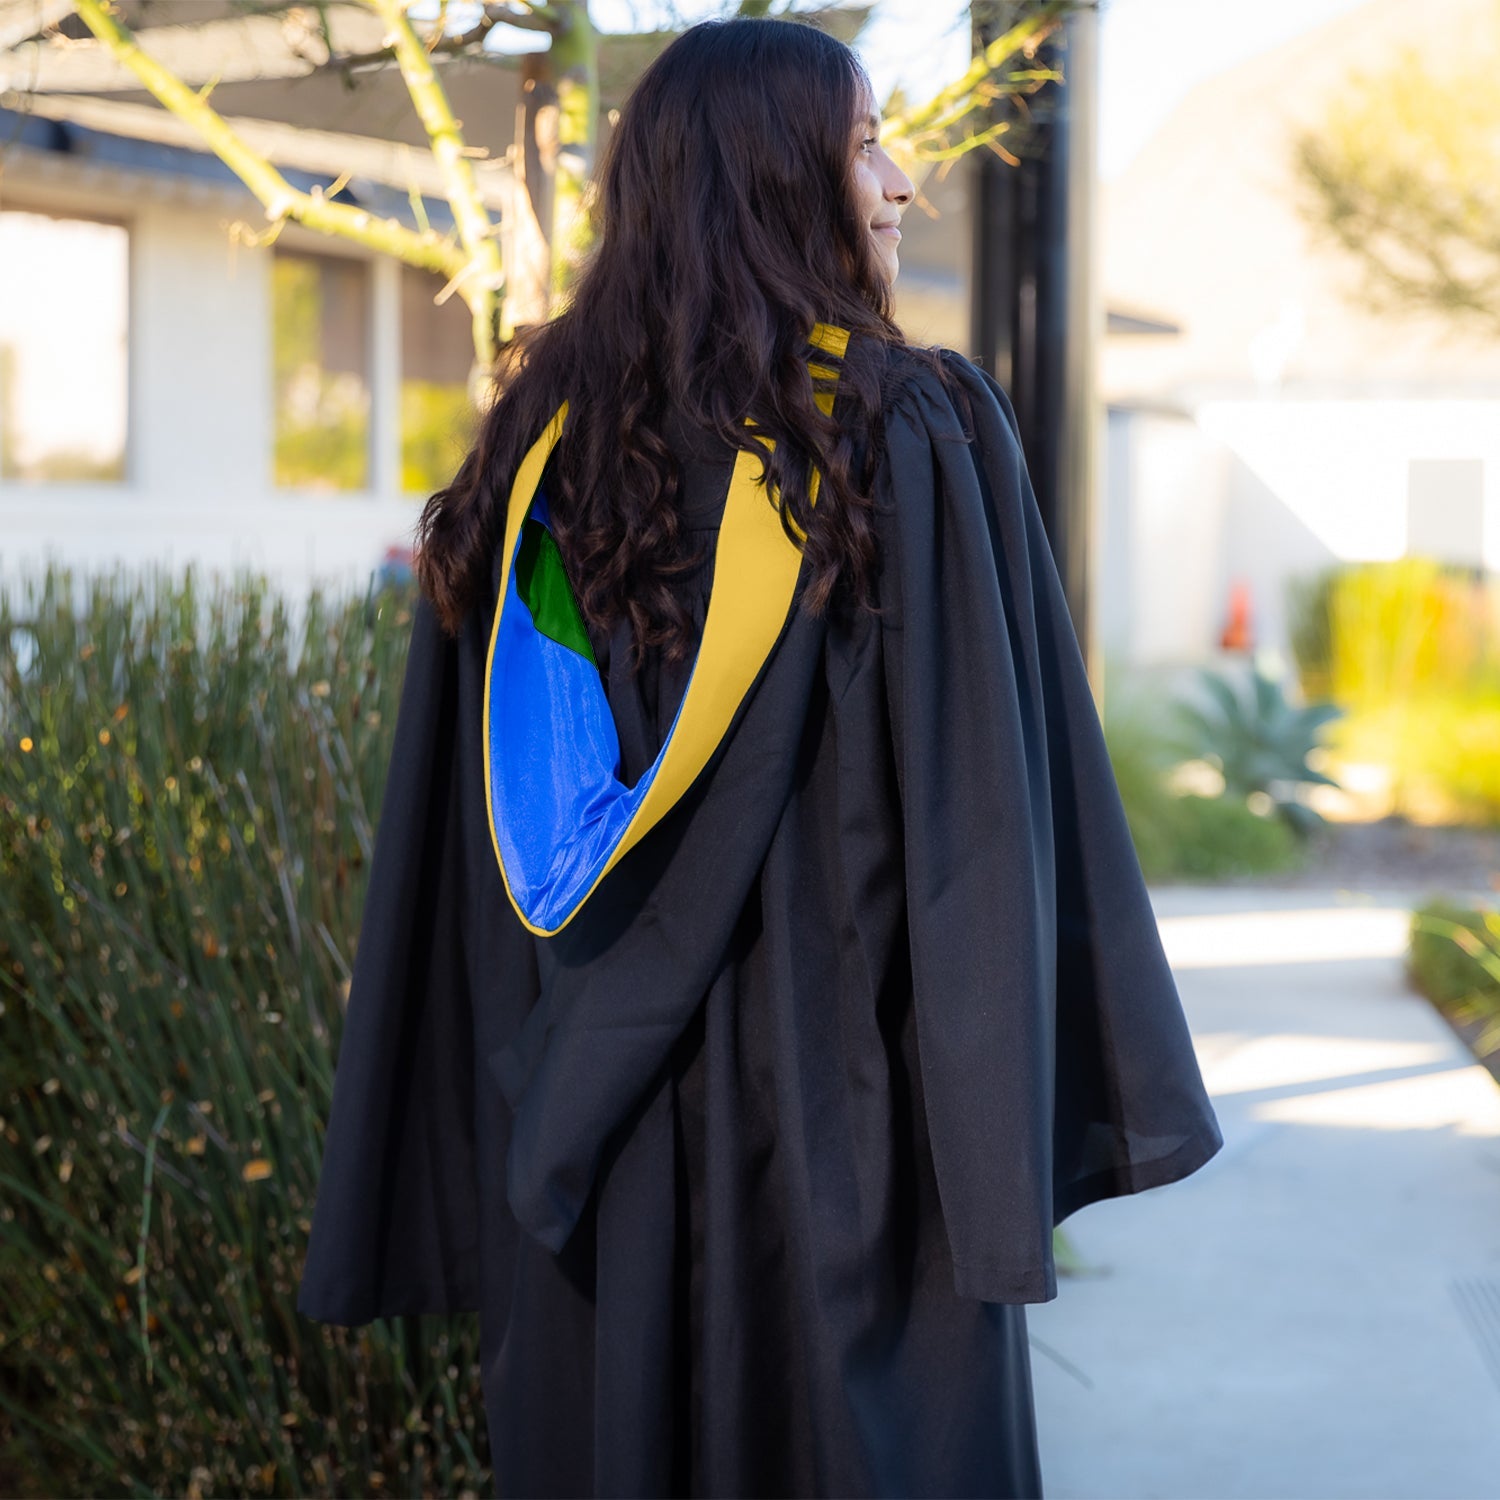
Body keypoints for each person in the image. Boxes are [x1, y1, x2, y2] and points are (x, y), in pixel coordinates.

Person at [296, 16, 1224, 1500]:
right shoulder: (903, 430)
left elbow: (474, 872)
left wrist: (510, 1128)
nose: (902, 182)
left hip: (587, 1146)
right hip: (843, 1150)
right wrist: (993, 1175)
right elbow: (984, 830)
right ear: (772, 179)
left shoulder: (535, 458)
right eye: (864, 143)